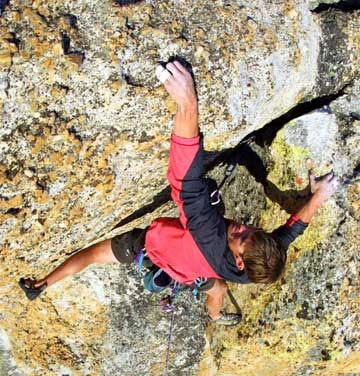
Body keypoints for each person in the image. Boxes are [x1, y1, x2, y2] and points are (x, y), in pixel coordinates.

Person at [19, 61, 339, 325]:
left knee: (91, 256)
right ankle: (214, 316)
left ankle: (43, 284)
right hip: (193, 272)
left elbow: (186, 180)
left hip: (149, 249)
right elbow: (290, 232)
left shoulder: (208, 233)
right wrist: (319, 197)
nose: (243, 226)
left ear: (239, 261)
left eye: (242, 236)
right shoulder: (258, 266)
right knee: (217, 286)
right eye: (252, 229)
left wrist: (188, 105)